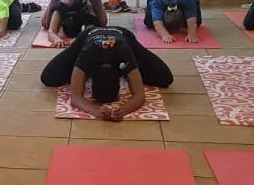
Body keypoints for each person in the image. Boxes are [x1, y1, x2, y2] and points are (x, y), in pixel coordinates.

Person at [40, 26, 173, 121]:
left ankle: (128, 69)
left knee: (165, 78)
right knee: (48, 78)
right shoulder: (88, 55)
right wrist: (96, 111)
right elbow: (75, 96)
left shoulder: (123, 54)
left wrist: (124, 110)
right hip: (87, 37)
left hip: (124, 36)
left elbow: (139, 95)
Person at [41, 0, 108, 48]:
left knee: (102, 22)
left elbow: (89, 30)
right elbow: (51, 31)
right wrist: (56, 39)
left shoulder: (86, 9)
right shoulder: (61, 7)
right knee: (45, 23)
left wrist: (78, 39)